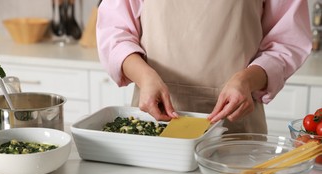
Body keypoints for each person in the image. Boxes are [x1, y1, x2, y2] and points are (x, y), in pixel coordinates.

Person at [96, 0, 312, 133]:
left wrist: (247, 80)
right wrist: (144, 77)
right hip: (152, 121)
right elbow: (114, 32)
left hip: (236, 130)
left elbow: (287, 41)